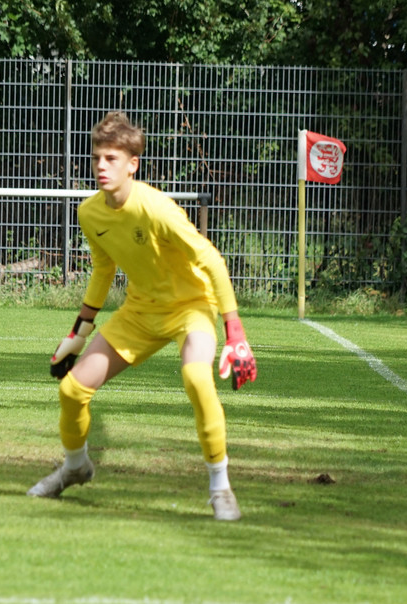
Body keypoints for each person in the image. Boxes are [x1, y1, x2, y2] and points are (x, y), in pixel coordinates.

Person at [27, 111, 256, 521]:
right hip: (138, 313)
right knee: (72, 391)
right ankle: (76, 467)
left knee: (197, 377)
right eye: (97, 157)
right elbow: (103, 269)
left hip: (190, 309)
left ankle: (220, 487)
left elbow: (211, 259)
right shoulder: (90, 213)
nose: (101, 166)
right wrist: (78, 332)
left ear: (133, 163)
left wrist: (235, 332)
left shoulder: (157, 208)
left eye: (111, 158)